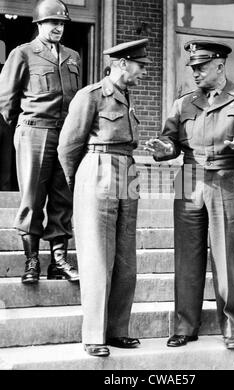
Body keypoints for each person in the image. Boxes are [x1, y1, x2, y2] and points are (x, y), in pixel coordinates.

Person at [145, 40, 234, 350]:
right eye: (193, 68)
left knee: (228, 257)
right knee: (187, 258)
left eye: (201, 67)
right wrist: (165, 150)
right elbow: (169, 141)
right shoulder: (183, 103)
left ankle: (231, 326)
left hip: (229, 180)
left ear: (219, 65)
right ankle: (185, 326)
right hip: (188, 180)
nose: (196, 73)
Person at [58, 39, 150, 357]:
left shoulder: (127, 97)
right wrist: (81, 183)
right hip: (98, 167)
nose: (142, 71)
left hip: (128, 170)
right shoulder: (91, 95)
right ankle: (94, 334)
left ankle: (117, 330)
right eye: (139, 65)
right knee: (98, 256)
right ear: (122, 63)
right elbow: (68, 146)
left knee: (125, 258)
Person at [0, 0, 80, 284]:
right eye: (52, 22)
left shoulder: (73, 56)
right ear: (39, 24)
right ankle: (32, 260)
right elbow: (6, 102)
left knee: (62, 197)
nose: (58, 27)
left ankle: (58, 261)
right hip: (34, 131)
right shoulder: (22, 54)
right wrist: (23, 131)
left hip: (66, 135)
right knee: (32, 197)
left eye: (61, 23)